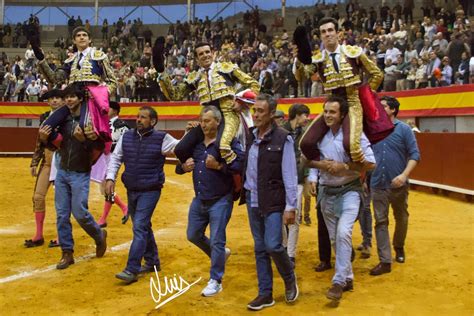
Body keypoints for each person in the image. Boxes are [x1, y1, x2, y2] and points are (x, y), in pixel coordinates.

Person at [306, 95, 376, 301]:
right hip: (326, 191)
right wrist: (320, 168)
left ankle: (338, 281)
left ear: (342, 114)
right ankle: (348, 276)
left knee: (344, 233)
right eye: (325, 111)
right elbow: (306, 160)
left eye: (332, 112)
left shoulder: (354, 135)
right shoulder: (319, 136)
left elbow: (371, 163)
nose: (328, 115)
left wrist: (344, 166)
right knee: (335, 238)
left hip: (350, 190)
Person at [294, 17, 387, 163]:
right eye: (323, 32)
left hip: (353, 103)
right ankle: (325, 165)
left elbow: (377, 74)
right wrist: (299, 58)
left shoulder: (354, 52)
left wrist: (366, 96)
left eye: (330, 30)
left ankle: (356, 174)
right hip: (331, 105)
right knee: (305, 144)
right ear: (320, 36)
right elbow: (302, 76)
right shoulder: (318, 59)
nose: (327, 34)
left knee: (352, 146)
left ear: (338, 33)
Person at [154, 40, 260, 164]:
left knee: (224, 147)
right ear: (197, 59)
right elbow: (175, 94)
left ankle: (237, 174)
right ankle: (202, 167)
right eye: (201, 54)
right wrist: (161, 72)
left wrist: (241, 102)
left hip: (228, 115)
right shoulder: (196, 77)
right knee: (180, 149)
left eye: (207, 52)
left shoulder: (226, 68)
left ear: (213, 53)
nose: (205, 55)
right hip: (208, 119)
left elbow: (254, 84)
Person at [105, 106, 179, 284]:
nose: (138, 120)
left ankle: (132, 269)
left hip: (151, 189)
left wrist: (194, 133)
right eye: (138, 117)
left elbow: (181, 147)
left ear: (152, 121)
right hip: (132, 188)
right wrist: (110, 178)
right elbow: (116, 158)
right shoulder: (127, 136)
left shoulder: (162, 138)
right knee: (143, 225)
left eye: (143, 117)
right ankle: (153, 260)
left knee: (139, 226)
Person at [37, 85, 108, 270]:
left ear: (80, 99)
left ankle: (99, 236)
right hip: (62, 171)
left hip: (80, 172)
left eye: (72, 97)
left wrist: (84, 140)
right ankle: (67, 253)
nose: (68, 100)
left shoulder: (90, 120)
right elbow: (55, 148)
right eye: (66, 97)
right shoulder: (62, 120)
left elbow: (98, 149)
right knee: (61, 215)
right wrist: (45, 140)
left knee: (80, 213)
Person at [240, 94, 299, 311]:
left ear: (272, 114)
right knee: (259, 247)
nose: (255, 115)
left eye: (260, 111)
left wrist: (291, 206)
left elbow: (290, 174)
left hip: (274, 199)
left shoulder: (284, 138)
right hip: (252, 198)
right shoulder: (251, 136)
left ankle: (289, 278)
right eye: (254, 111)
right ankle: (265, 293)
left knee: (273, 244)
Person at [178, 106, 244, 296]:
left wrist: (220, 166)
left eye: (207, 120)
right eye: (202, 120)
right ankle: (220, 256)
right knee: (193, 235)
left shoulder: (228, 143)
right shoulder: (197, 145)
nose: (203, 124)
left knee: (217, 240)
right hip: (200, 199)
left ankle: (216, 279)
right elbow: (179, 167)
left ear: (218, 122)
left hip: (220, 199)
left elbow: (240, 163)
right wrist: (184, 167)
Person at [33, 26, 116, 151]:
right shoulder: (70, 60)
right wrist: (41, 59)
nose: (81, 37)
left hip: (90, 99)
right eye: (78, 36)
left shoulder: (99, 56)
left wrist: (101, 95)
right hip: (71, 98)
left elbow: (112, 81)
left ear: (89, 40)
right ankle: (63, 149)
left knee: (86, 128)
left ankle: (92, 159)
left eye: (84, 35)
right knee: (46, 127)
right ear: (74, 41)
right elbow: (55, 79)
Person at [369, 96, 420, 276]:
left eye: (383, 107)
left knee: (401, 217)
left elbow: (415, 155)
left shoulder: (404, 129)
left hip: (398, 184)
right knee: (380, 221)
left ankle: (399, 246)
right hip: (377, 183)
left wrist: (404, 175)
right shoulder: (372, 129)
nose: (379, 109)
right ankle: (385, 260)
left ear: (392, 110)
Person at [25, 89, 64, 248]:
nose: (54, 101)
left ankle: (61, 235)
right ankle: (38, 235)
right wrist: (35, 161)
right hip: (47, 161)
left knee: (61, 200)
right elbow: (39, 142)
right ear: (47, 101)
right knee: (38, 196)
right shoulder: (44, 116)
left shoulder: (67, 117)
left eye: (57, 98)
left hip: (62, 160)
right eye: (51, 98)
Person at [91, 101, 130, 227]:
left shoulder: (121, 125)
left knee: (107, 187)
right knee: (105, 188)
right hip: (102, 158)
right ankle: (124, 207)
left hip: (112, 158)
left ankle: (103, 218)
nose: (106, 110)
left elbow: (122, 144)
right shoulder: (103, 122)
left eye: (108, 108)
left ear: (115, 111)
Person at [281, 103, 310, 267]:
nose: (307, 118)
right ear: (297, 115)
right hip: (281, 181)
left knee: (295, 218)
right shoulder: (281, 132)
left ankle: (290, 254)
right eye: (305, 115)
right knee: (280, 218)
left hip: (297, 179)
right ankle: (284, 248)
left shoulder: (303, 134)